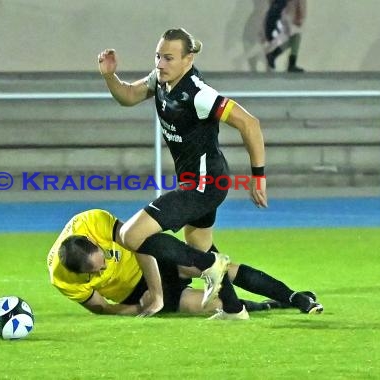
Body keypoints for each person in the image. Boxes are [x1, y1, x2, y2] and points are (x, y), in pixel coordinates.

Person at [97, 28, 268, 319]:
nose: (160, 64)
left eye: (169, 58)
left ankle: (208, 266)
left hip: (206, 185)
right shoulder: (160, 82)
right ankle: (234, 310)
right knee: (198, 243)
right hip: (198, 183)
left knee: (130, 234)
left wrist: (258, 176)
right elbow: (127, 96)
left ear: (188, 60)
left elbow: (249, 123)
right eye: (158, 56)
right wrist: (109, 76)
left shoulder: (200, 94)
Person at [47, 209, 324, 318]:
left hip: (153, 258)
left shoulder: (91, 221)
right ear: (79, 274)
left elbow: (140, 242)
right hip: (134, 294)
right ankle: (274, 305)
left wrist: (157, 295)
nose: (104, 268)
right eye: (97, 272)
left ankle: (293, 295)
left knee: (219, 270)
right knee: (208, 306)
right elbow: (102, 307)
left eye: (103, 260)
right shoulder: (62, 279)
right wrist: (139, 307)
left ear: (92, 242)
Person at [264, 0, 306, 72]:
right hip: (286, 14)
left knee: (295, 38)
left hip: (284, 13)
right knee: (296, 37)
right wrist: (298, 15)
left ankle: (273, 55)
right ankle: (289, 64)